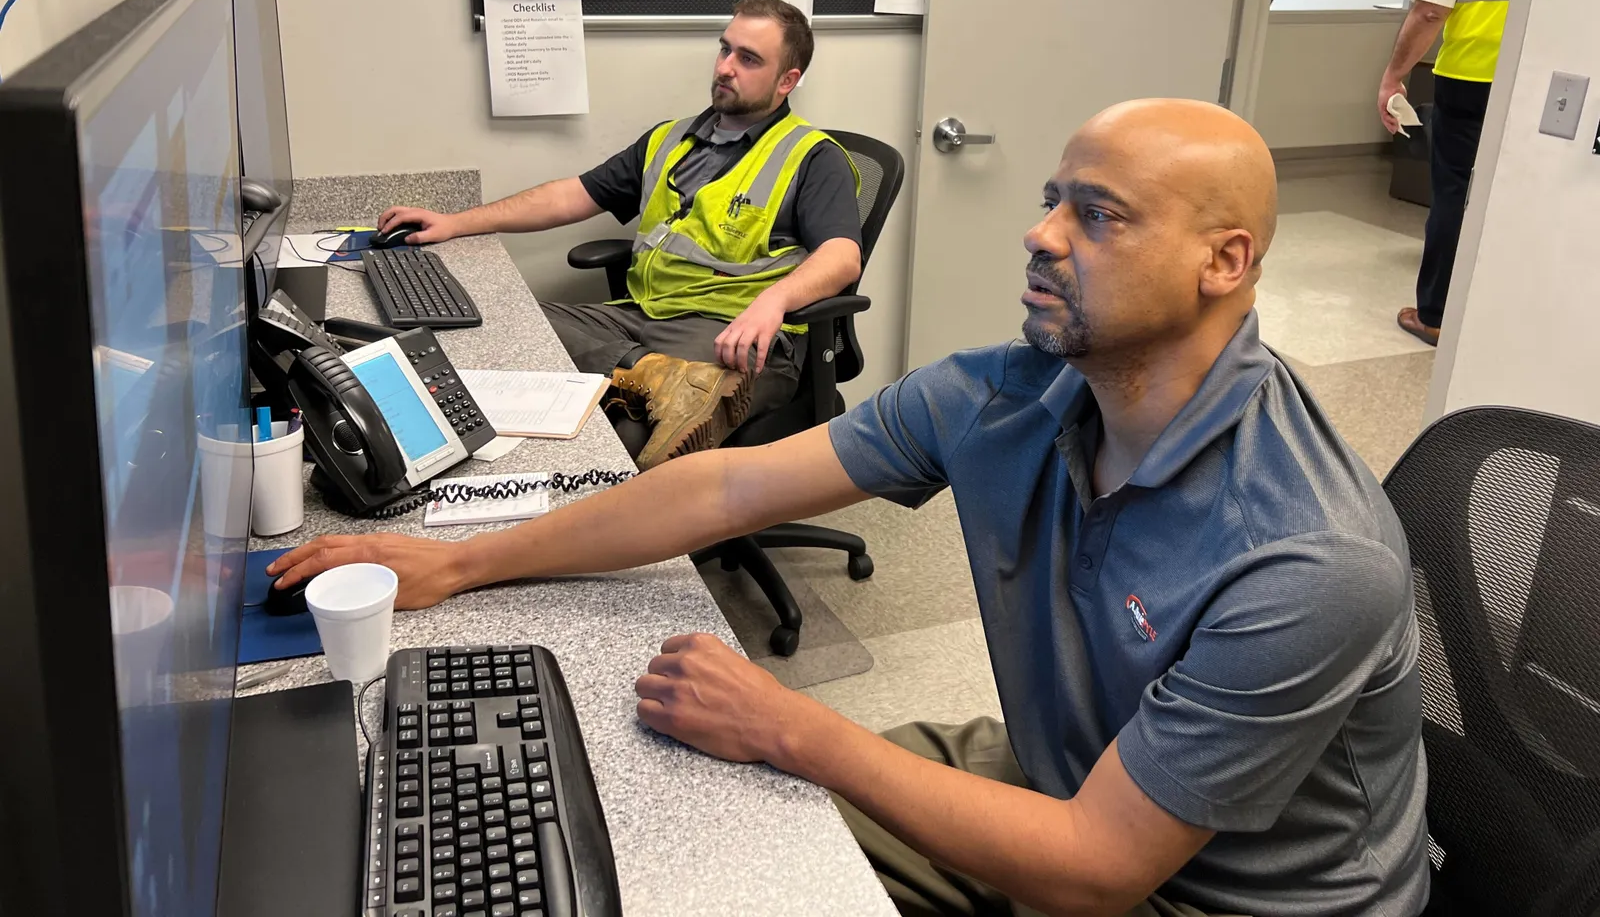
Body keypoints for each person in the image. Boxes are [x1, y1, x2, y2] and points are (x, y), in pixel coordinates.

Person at [272, 99, 1428, 916]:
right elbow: (726, 484)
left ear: (1223, 262)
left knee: (772, 768)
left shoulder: (1304, 555)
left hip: (1219, 893)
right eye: (1047, 203)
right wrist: (461, 566)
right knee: (700, 826)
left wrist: (793, 726)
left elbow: (1094, 870)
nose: (1039, 234)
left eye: (1098, 215)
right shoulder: (1007, 392)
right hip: (1072, 777)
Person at [379, 0, 863, 468]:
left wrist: (772, 302)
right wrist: (456, 222)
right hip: (639, 320)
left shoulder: (812, 157)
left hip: (732, 339)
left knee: (627, 430)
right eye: (724, 48)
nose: (725, 67)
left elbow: (842, 256)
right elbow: (571, 195)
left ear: (787, 81)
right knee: (509, 326)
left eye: (748, 58)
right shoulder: (670, 138)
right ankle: (649, 373)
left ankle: (630, 527)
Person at [1378, 0, 1543, 346]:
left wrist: (1393, 77)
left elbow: (1429, 11)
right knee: (1530, 194)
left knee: (1454, 193)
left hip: (1470, 80)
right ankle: (1511, 317)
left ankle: (1436, 315)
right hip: (1551, 91)